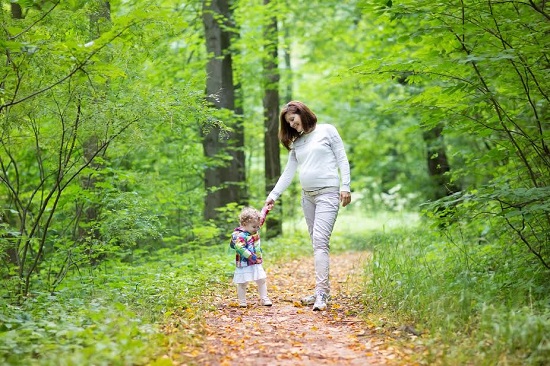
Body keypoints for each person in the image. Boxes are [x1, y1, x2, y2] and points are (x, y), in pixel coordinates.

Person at [265, 101, 351, 311]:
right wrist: (273, 195)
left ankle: (321, 293)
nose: (292, 126)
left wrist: (346, 186)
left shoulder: (327, 131)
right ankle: (321, 290)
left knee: (321, 242)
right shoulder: (297, 142)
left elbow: (342, 158)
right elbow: (288, 172)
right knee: (316, 244)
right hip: (308, 197)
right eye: (289, 124)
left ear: (302, 113)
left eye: (293, 120)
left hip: (328, 194)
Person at [230, 205, 273, 307]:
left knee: (261, 280)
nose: (257, 229)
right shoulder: (240, 235)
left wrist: (266, 209)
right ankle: (242, 302)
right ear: (244, 224)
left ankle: (264, 298)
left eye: (258, 226)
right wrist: (252, 257)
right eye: (254, 227)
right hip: (245, 263)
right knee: (242, 283)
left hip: (256, 262)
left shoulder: (253, 226)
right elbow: (239, 247)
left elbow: (261, 218)